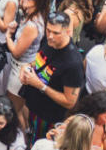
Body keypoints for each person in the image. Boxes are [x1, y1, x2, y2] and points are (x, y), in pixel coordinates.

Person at [18, 11, 84, 139]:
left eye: (56, 33)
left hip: (49, 118)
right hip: (32, 105)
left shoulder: (73, 63)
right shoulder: (49, 42)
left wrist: (40, 85)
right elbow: (40, 60)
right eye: (48, 30)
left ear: (68, 32)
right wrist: (26, 67)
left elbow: (70, 102)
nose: (50, 36)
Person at [3, 0, 50, 111]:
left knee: (13, 109)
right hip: (19, 66)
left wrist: (8, 35)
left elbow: (16, 52)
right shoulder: (30, 13)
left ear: (38, 2)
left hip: (20, 70)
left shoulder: (32, 25)